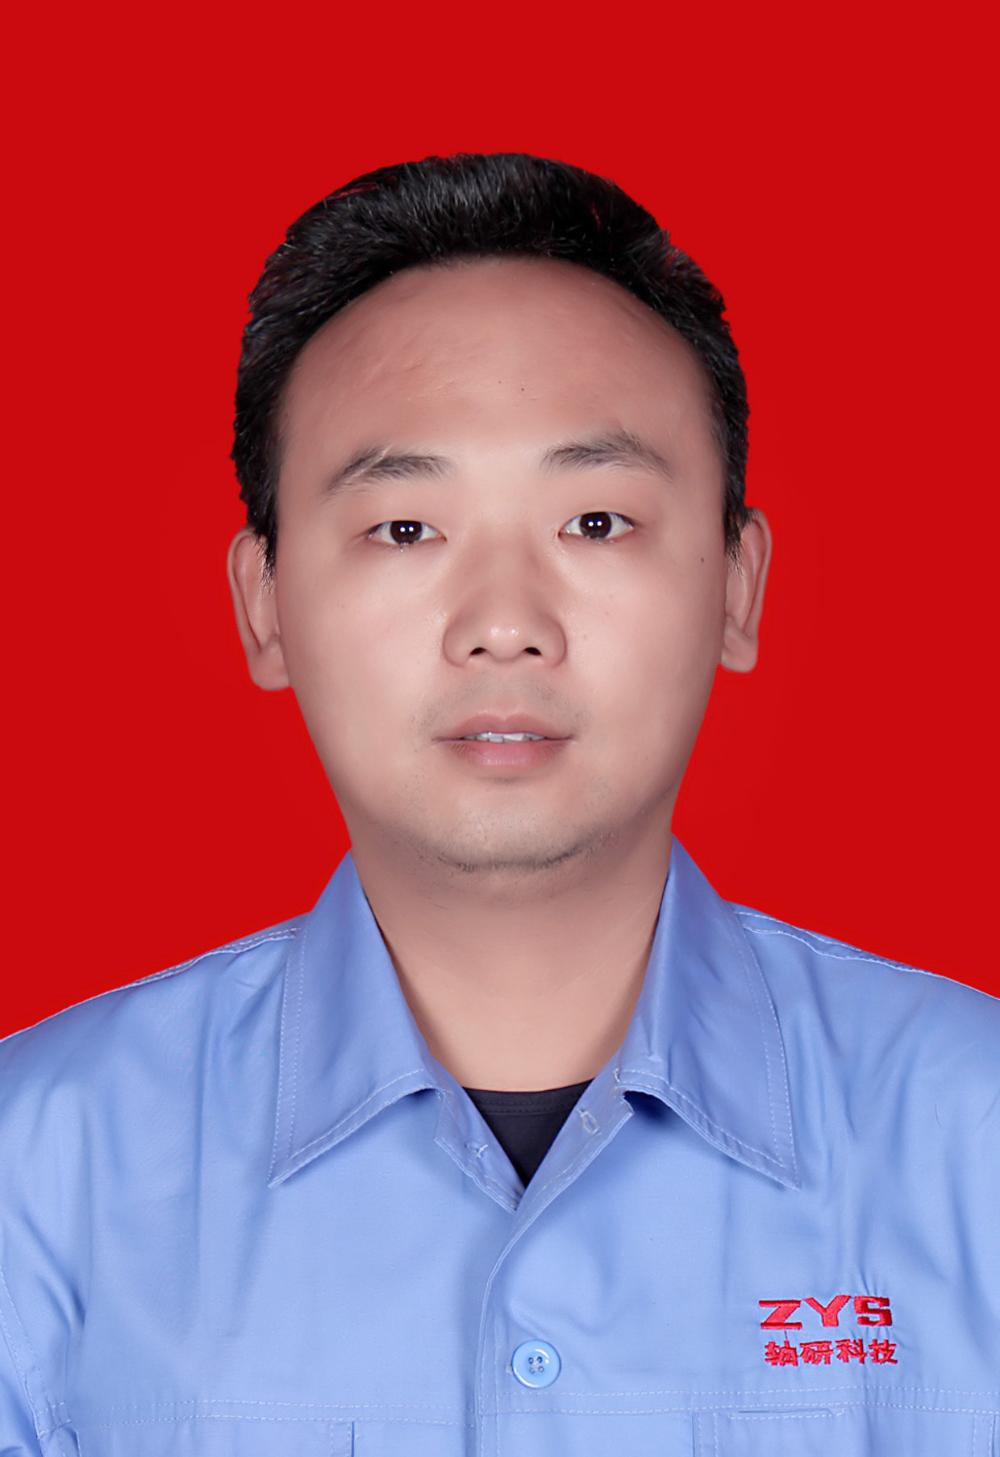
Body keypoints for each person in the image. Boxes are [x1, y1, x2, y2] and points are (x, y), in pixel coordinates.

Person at [1, 152, 997, 1457]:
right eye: (406, 529)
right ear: (265, 605)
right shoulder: (41, 1171)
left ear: (737, 586)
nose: (506, 624)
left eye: (596, 522)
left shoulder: (974, 1138)